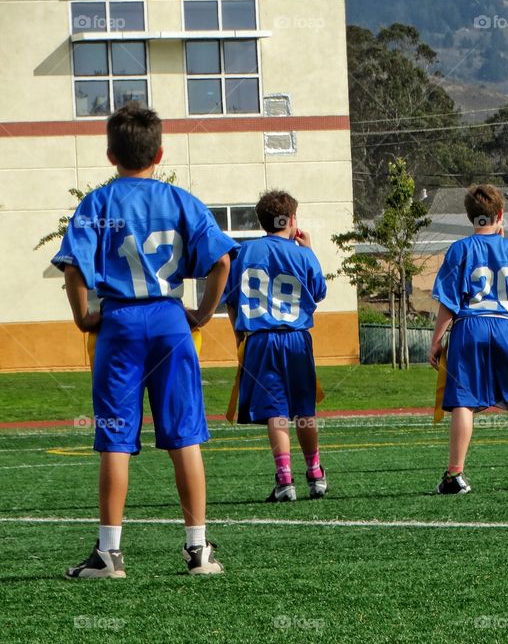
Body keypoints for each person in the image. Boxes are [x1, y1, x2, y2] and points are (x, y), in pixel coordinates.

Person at [52, 102, 237, 578]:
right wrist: (201, 311)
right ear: (160, 152)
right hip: (171, 322)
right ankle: (198, 551)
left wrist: (82, 317)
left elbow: (74, 266)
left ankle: (109, 554)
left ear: (110, 154)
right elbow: (221, 262)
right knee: (185, 436)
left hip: (120, 322)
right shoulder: (181, 201)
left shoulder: (98, 202)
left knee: (115, 438)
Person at [428, 184, 508, 494]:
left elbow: (449, 301)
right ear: (500, 215)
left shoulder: (459, 249)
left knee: (463, 401)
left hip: (468, 326)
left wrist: (437, 339)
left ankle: (455, 475)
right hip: (502, 326)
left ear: (471, 216)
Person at [223, 190, 328, 502]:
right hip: (296, 338)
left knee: (276, 412)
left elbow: (231, 300)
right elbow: (318, 292)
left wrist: (239, 336)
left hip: (260, 339)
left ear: (262, 220)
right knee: (304, 409)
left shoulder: (243, 252)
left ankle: (285, 481)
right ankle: (316, 474)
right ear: (292, 220)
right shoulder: (302, 254)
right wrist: (309, 251)